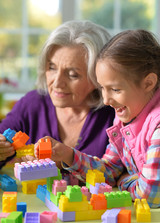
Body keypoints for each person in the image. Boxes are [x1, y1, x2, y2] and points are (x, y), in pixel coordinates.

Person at [35, 29, 160, 207]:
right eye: (102, 88)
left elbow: (150, 195)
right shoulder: (125, 118)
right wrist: (68, 154)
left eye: (115, 89)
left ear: (148, 83)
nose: (106, 100)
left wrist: (124, 181)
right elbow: (109, 172)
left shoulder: (157, 125)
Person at [0, 20, 115, 184]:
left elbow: (122, 176)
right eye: (52, 68)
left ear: (98, 78)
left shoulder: (115, 115)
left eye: (73, 74)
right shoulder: (31, 104)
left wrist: (62, 165)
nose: (57, 83)